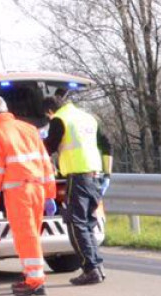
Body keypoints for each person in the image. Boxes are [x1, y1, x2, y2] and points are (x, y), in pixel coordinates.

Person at [0, 96, 56, 296]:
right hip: (37, 188)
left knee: (25, 236)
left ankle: (35, 280)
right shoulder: (29, 128)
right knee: (32, 234)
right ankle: (32, 275)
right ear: (6, 108)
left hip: (18, 191)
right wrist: (50, 193)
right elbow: (46, 162)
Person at [44, 85, 113, 285]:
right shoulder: (87, 117)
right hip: (95, 176)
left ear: (50, 112)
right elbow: (107, 145)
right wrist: (107, 174)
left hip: (78, 177)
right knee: (88, 224)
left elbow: (49, 147)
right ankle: (97, 267)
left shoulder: (59, 119)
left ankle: (90, 269)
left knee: (76, 224)